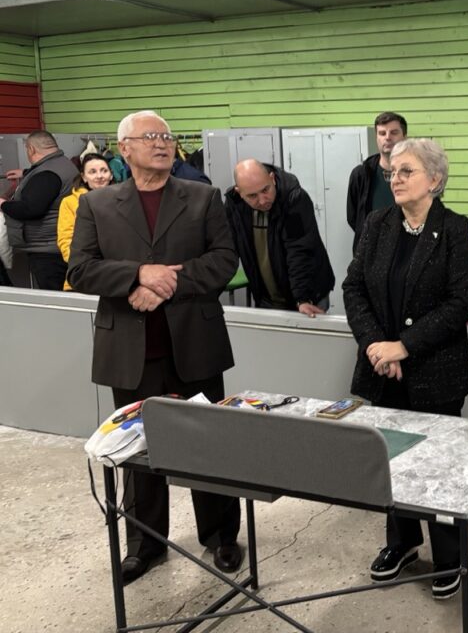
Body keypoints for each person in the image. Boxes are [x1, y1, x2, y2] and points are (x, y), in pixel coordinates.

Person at [67, 110, 243, 584]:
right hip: (130, 350)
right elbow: (80, 269)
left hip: (194, 344)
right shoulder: (97, 204)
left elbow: (224, 260)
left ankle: (222, 536)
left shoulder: (202, 197)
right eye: (150, 136)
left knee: (208, 445)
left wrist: (165, 284)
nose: (162, 143)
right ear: (124, 148)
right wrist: (136, 276)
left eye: (166, 136)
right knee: (136, 449)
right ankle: (144, 544)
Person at [342, 137, 468, 601]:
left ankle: (449, 556)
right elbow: (354, 288)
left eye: (406, 171)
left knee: (439, 467)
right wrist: (377, 347)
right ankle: (402, 543)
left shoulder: (455, 228)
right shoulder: (377, 224)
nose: (394, 179)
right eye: (391, 172)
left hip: (436, 371)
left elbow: (460, 303)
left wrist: (404, 347)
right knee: (391, 460)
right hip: (382, 367)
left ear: (434, 179)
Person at [224, 159, 335, 316]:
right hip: (266, 299)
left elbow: (299, 250)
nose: (262, 200)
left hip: (307, 295)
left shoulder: (294, 199)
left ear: (272, 179)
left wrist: (302, 298)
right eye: (252, 196)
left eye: (265, 190)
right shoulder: (234, 206)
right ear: (239, 192)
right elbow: (227, 249)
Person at [0, 131, 78, 289]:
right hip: (56, 244)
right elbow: (49, 183)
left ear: (31, 149)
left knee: (54, 296)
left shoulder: (46, 175)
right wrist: (25, 173)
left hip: (47, 251)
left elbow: (31, 209)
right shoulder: (63, 164)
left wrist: (3, 204)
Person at [347, 111, 407, 251]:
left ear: (404, 137)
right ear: (376, 138)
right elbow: (354, 217)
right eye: (382, 133)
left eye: (394, 132)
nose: (387, 137)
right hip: (371, 252)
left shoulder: (418, 174)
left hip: (407, 250)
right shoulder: (361, 174)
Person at [57, 153, 113, 290]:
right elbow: (66, 241)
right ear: (83, 177)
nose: (99, 176)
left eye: (104, 171)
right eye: (92, 172)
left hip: (116, 276)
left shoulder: (123, 200)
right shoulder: (70, 202)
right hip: (84, 276)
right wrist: (85, 265)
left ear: (111, 175)